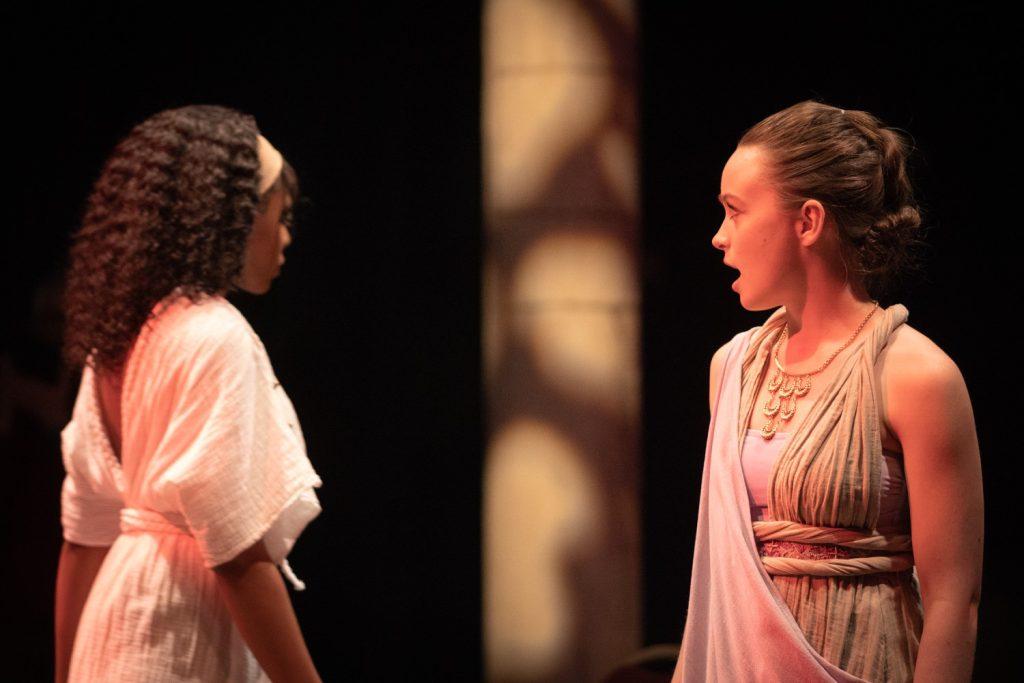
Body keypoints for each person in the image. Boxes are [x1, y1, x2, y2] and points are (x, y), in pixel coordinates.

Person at [672, 101, 982, 682]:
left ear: (808, 222)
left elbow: (952, 602)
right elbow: (716, 574)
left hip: (860, 659)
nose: (719, 237)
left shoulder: (916, 375)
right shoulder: (732, 367)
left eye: (735, 212)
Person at [53, 105, 324, 682]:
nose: (285, 237)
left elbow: (84, 539)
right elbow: (237, 553)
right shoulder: (214, 334)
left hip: (113, 633)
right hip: (175, 637)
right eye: (281, 215)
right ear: (237, 214)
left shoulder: (126, 338)